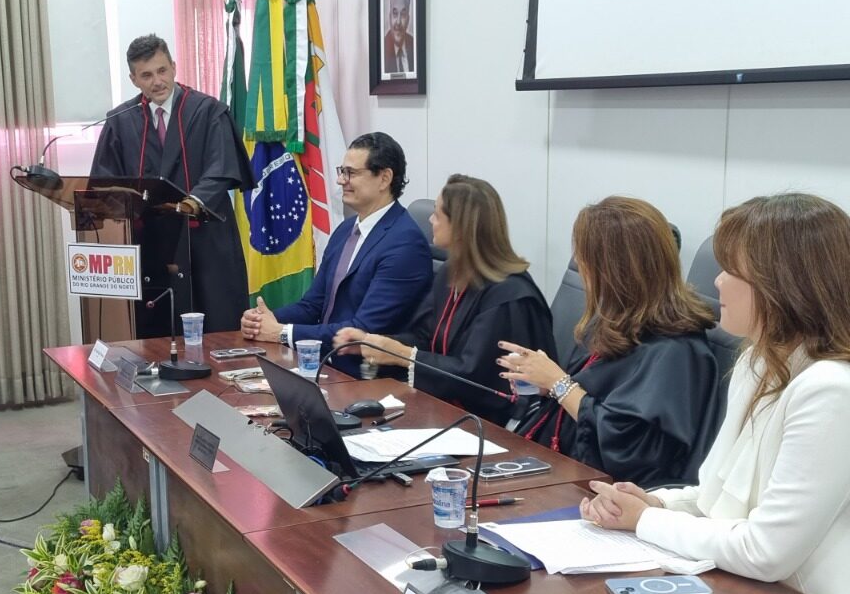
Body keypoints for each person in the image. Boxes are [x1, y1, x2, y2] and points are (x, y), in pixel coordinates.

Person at [581, 193, 850, 594]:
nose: (717, 282)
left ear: (784, 285)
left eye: (733, 269)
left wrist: (642, 524)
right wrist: (652, 503)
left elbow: (767, 551)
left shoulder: (831, 389)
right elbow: (714, 494)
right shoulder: (760, 363)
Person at [498, 196, 721, 487]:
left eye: (585, 257)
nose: (580, 266)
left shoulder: (676, 350)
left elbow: (629, 449)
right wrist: (544, 385)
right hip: (562, 467)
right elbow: (596, 395)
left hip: (607, 494)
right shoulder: (615, 321)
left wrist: (560, 384)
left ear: (612, 269)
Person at [333, 174, 556, 424]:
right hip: (441, 409)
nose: (430, 220)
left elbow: (474, 378)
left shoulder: (508, 297)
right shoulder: (453, 273)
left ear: (461, 228)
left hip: (490, 425)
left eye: (438, 215)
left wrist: (403, 355)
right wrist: (373, 342)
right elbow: (425, 338)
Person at [89, 34, 252, 335]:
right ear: (134, 78)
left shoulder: (207, 111)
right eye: (146, 75)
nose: (157, 82)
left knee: (215, 320)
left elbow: (221, 168)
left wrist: (190, 203)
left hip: (204, 237)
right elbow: (104, 181)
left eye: (162, 71)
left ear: (174, 67)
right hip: (150, 242)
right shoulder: (121, 121)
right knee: (156, 328)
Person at [240, 132, 432, 374]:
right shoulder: (345, 230)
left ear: (384, 178)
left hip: (366, 377)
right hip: (325, 364)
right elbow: (313, 305)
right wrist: (263, 320)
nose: (341, 181)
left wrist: (281, 332)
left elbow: (362, 330)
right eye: (342, 171)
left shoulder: (405, 244)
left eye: (351, 173)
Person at [382, 0, 414, 75]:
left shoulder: (415, 46)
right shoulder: (382, 51)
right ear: (389, 17)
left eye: (403, 14)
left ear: (408, 19)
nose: (398, 22)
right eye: (395, 13)